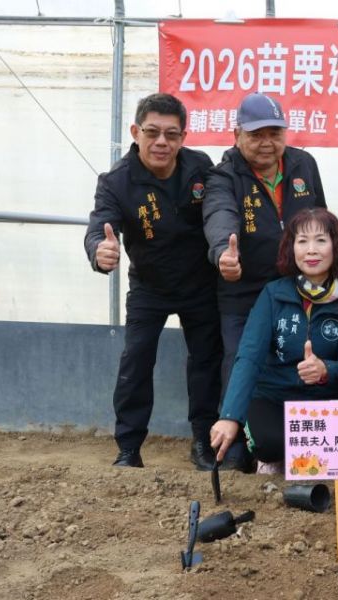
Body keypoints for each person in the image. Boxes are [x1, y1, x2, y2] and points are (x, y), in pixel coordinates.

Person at [84, 93, 221, 470]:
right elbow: (99, 227)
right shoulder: (116, 182)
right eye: (153, 132)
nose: (162, 142)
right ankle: (128, 447)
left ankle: (202, 442)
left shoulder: (200, 167)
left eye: (172, 135)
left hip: (199, 285)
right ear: (136, 132)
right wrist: (100, 250)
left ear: (183, 137)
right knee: (137, 360)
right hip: (149, 287)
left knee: (205, 362)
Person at [203, 92, 327, 470]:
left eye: (275, 133)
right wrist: (225, 251)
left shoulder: (304, 164)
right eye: (257, 134)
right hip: (243, 288)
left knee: (300, 358)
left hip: (294, 287)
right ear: (237, 134)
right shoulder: (224, 176)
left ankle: (290, 446)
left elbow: (319, 218)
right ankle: (233, 450)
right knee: (240, 361)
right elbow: (219, 215)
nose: (267, 143)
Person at [209, 208, 338, 467]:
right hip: (275, 397)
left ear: (336, 245)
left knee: (337, 439)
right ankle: (277, 459)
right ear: (291, 248)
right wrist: (229, 416)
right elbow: (249, 356)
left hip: (326, 401)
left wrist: (326, 370)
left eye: (321, 240)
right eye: (302, 241)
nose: (311, 250)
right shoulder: (273, 294)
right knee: (269, 442)